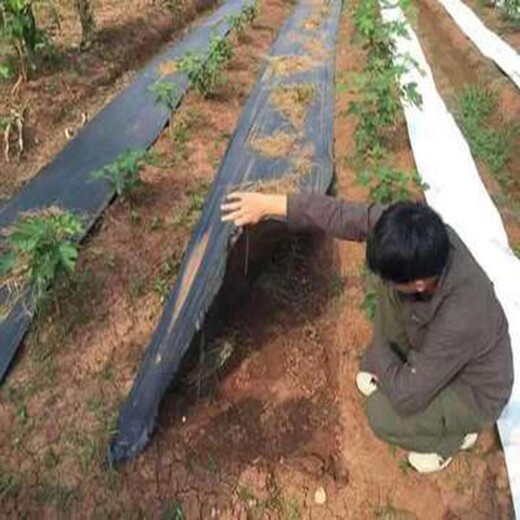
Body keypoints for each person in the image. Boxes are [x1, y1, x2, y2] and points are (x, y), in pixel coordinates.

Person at [221, 191, 514, 473]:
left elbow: (406, 396)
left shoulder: (462, 312)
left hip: (471, 389)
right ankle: (398, 367)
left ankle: (451, 440)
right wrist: (268, 204)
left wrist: (381, 354)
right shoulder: (413, 237)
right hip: (440, 350)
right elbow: (341, 214)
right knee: (389, 292)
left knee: (382, 413)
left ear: (420, 284)